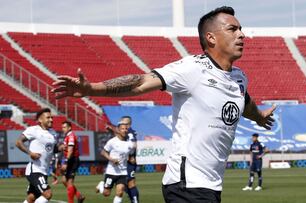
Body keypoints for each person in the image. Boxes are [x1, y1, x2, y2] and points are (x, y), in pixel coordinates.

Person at [52, 6, 276, 203]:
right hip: (186, 184)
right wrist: (92, 89)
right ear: (211, 38)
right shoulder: (192, 68)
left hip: (210, 185)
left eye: (240, 29)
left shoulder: (239, 78)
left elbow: (244, 101)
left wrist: (259, 116)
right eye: (232, 29)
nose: (242, 34)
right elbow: (141, 82)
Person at [15, 108, 62, 203]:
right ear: (40, 120)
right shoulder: (33, 130)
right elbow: (18, 142)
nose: (51, 119)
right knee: (47, 194)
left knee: (32, 198)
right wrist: (30, 153)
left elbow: (53, 150)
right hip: (35, 170)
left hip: (44, 171)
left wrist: (61, 148)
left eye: (51, 117)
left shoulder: (52, 133)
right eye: (48, 117)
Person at [95, 123, 137, 203]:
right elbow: (103, 152)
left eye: (126, 129)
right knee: (106, 194)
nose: (124, 130)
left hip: (123, 172)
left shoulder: (129, 143)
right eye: (122, 129)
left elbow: (131, 155)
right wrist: (111, 159)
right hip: (111, 171)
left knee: (120, 192)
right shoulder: (112, 141)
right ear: (118, 130)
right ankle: (101, 185)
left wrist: (131, 159)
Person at [106, 116, 140, 203]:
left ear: (128, 124)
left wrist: (131, 155)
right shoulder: (124, 132)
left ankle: (135, 201)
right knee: (124, 185)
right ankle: (133, 198)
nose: (121, 124)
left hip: (129, 162)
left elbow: (133, 144)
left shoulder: (131, 133)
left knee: (131, 183)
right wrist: (112, 131)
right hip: (123, 162)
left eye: (123, 123)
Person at [60, 121, 85, 203]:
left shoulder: (71, 136)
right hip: (69, 159)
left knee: (70, 182)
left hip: (72, 160)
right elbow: (67, 149)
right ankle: (79, 196)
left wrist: (66, 162)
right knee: (64, 180)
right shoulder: (67, 136)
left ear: (69, 127)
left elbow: (70, 151)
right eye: (62, 127)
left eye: (64, 127)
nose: (63, 129)